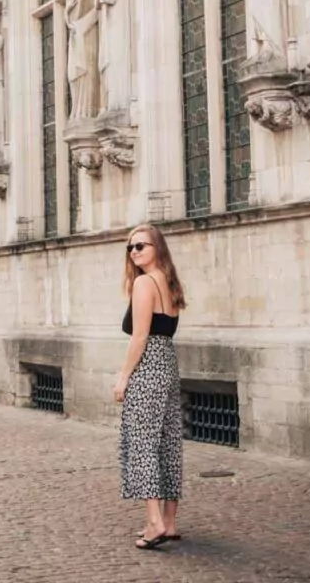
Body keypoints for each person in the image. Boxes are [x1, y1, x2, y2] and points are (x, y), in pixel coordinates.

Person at [114, 224, 187, 550]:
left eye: (140, 246)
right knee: (168, 444)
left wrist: (124, 376)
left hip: (148, 367)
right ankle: (169, 522)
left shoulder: (144, 283)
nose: (134, 252)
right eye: (130, 248)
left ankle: (155, 523)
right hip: (169, 365)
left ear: (157, 246)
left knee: (143, 443)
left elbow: (140, 336)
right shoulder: (169, 283)